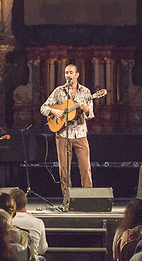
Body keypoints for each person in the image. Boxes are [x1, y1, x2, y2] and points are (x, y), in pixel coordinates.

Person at [40, 64, 94, 204]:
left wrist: (86, 108)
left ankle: (88, 199)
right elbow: (43, 108)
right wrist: (54, 111)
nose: (68, 75)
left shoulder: (86, 92)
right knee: (64, 169)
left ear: (77, 75)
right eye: (66, 73)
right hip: (63, 134)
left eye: (71, 72)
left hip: (80, 134)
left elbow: (90, 114)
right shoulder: (59, 91)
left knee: (85, 167)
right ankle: (67, 199)